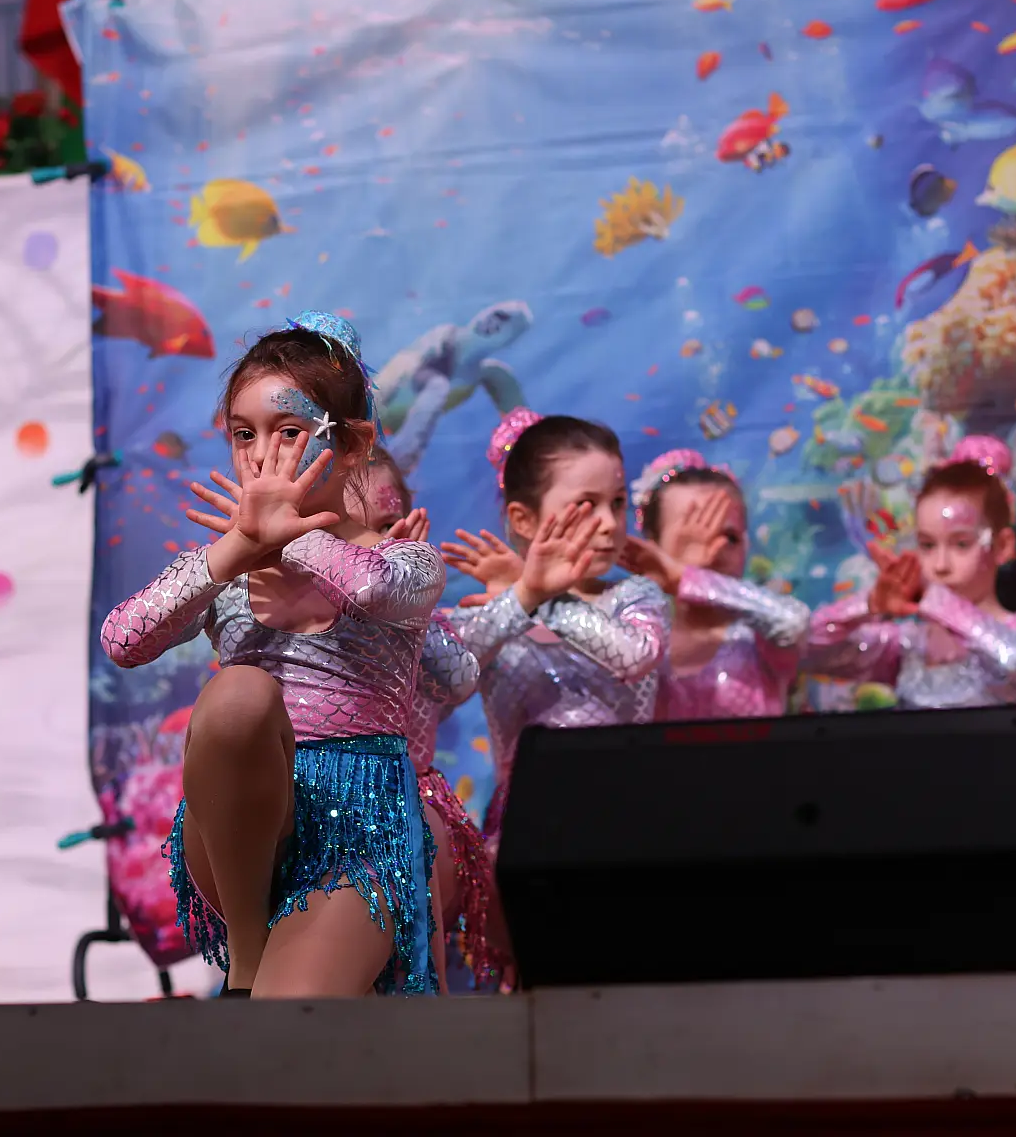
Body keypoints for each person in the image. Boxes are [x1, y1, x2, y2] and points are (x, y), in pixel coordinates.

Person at [98, 313, 444, 999]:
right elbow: (122, 641)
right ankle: (246, 955)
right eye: (243, 435)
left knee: (291, 1020)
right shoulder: (221, 571)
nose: (262, 458)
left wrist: (289, 537)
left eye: (289, 432)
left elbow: (375, 591)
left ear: (353, 445)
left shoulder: (404, 560)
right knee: (239, 692)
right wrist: (230, 552)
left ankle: (267, 991)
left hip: (356, 827)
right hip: (236, 836)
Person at [441, 409, 671, 852]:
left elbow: (634, 654)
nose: (609, 523)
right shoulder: (497, 609)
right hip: (526, 834)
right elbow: (443, 681)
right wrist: (522, 597)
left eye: (617, 502)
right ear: (524, 520)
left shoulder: (637, 596)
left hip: (631, 825)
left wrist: (539, 597)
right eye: (586, 505)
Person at [354, 446, 506, 990]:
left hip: (414, 807)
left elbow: (459, 676)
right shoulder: (295, 617)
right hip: (311, 806)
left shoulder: (425, 624)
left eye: (388, 528)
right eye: (355, 532)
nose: (378, 549)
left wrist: (408, 606)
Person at [804, 436, 1016, 708]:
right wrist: (869, 604)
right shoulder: (908, 644)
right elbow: (806, 648)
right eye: (927, 545)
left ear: (1002, 545)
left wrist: (930, 596)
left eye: (961, 544)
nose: (940, 565)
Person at [620, 449, 811, 721]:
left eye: (729, 537)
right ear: (652, 545)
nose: (714, 549)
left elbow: (793, 623)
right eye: (692, 536)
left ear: (746, 544)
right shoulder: (634, 642)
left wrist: (685, 578)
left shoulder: (758, 641)